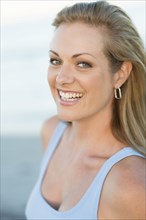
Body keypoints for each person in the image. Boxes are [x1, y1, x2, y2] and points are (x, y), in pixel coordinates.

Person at [25, 1, 146, 219]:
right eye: (55, 60)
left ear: (120, 74)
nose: (61, 78)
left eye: (83, 64)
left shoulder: (130, 185)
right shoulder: (52, 132)